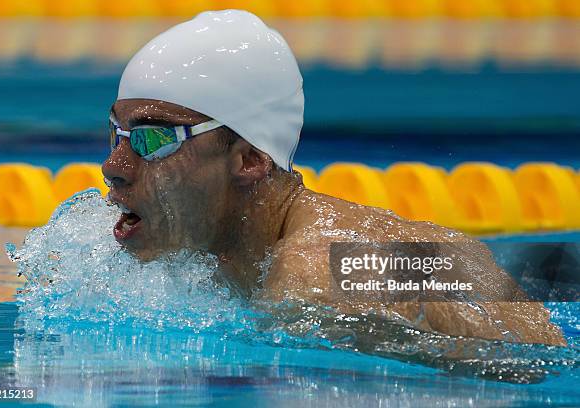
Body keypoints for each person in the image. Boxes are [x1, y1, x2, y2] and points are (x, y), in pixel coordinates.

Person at [102, 10, 565, 346]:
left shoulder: (317, 278)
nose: (114, 166)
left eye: (153, 139)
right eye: (116, 133)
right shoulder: (225, 249)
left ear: (248, 160)